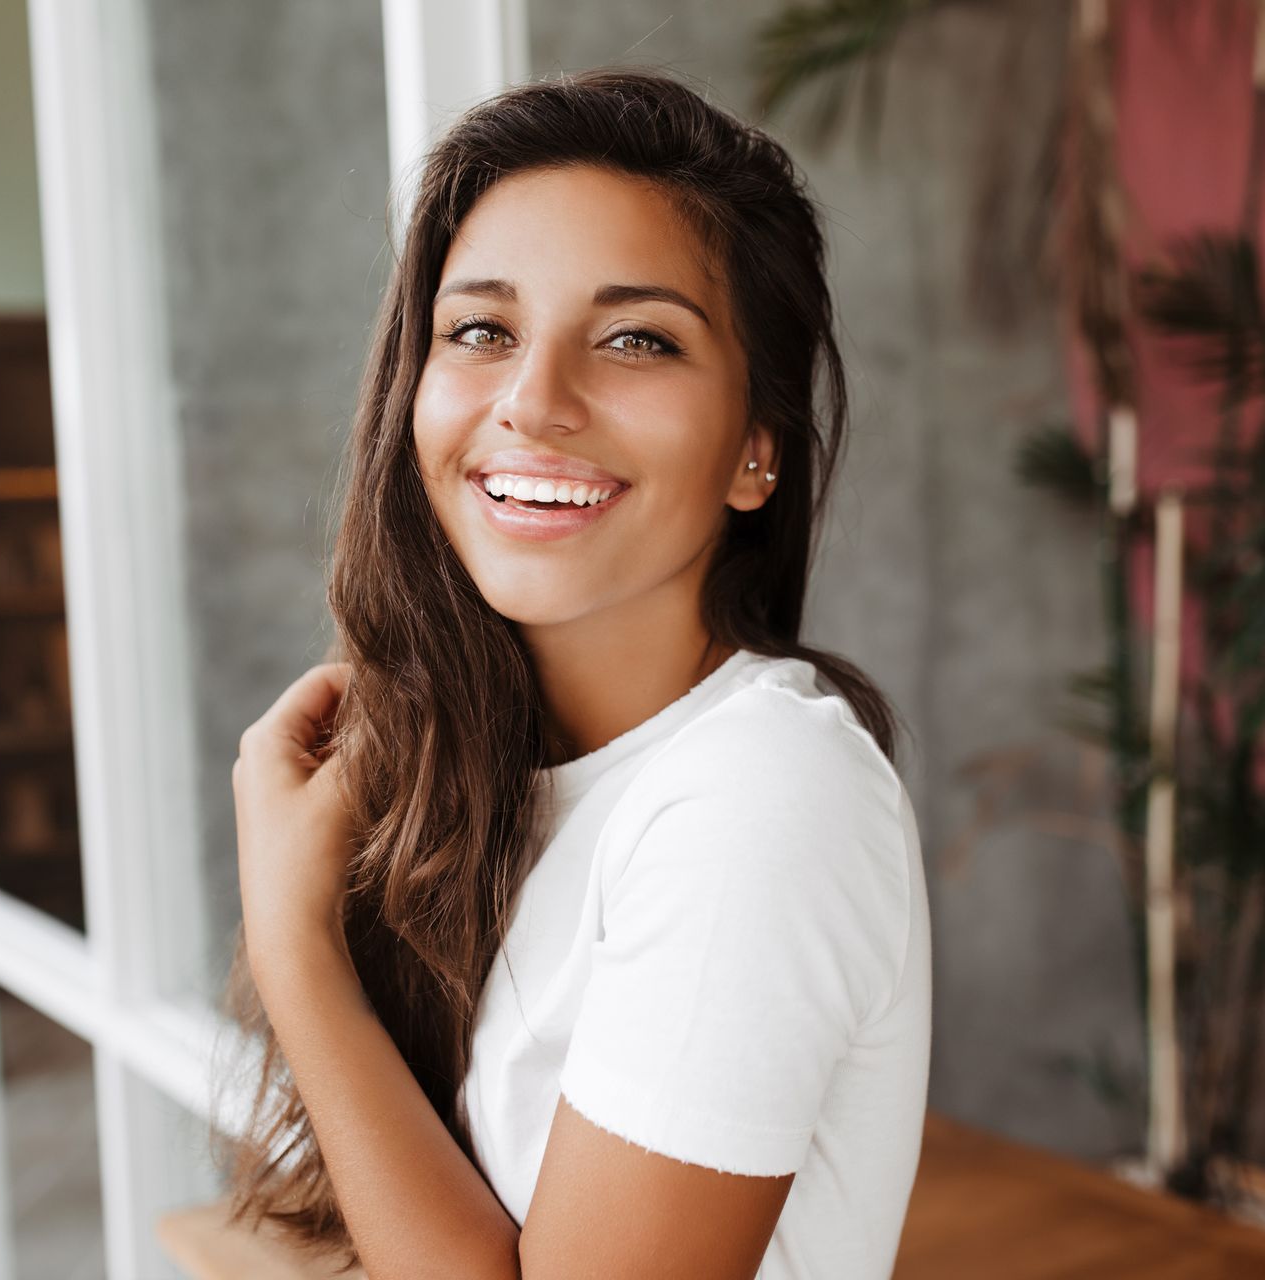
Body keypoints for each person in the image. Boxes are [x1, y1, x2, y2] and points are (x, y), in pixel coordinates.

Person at [226, 66, 932, 1280]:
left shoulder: (758, 793)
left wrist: (295, 944)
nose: (534, 401)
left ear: (757, 449)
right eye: (483, 330)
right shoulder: (495, 768)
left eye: (636, 339)